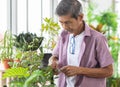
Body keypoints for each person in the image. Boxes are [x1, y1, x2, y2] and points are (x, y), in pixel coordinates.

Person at [49, 0, 113, 87]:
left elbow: (109, 71)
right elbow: (55, 56)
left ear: (80, 17)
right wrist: (53, 61)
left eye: (68, 22)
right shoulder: (63, 35)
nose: (64, 27)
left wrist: (80, 70)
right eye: (61, 22)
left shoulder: (97, 39)